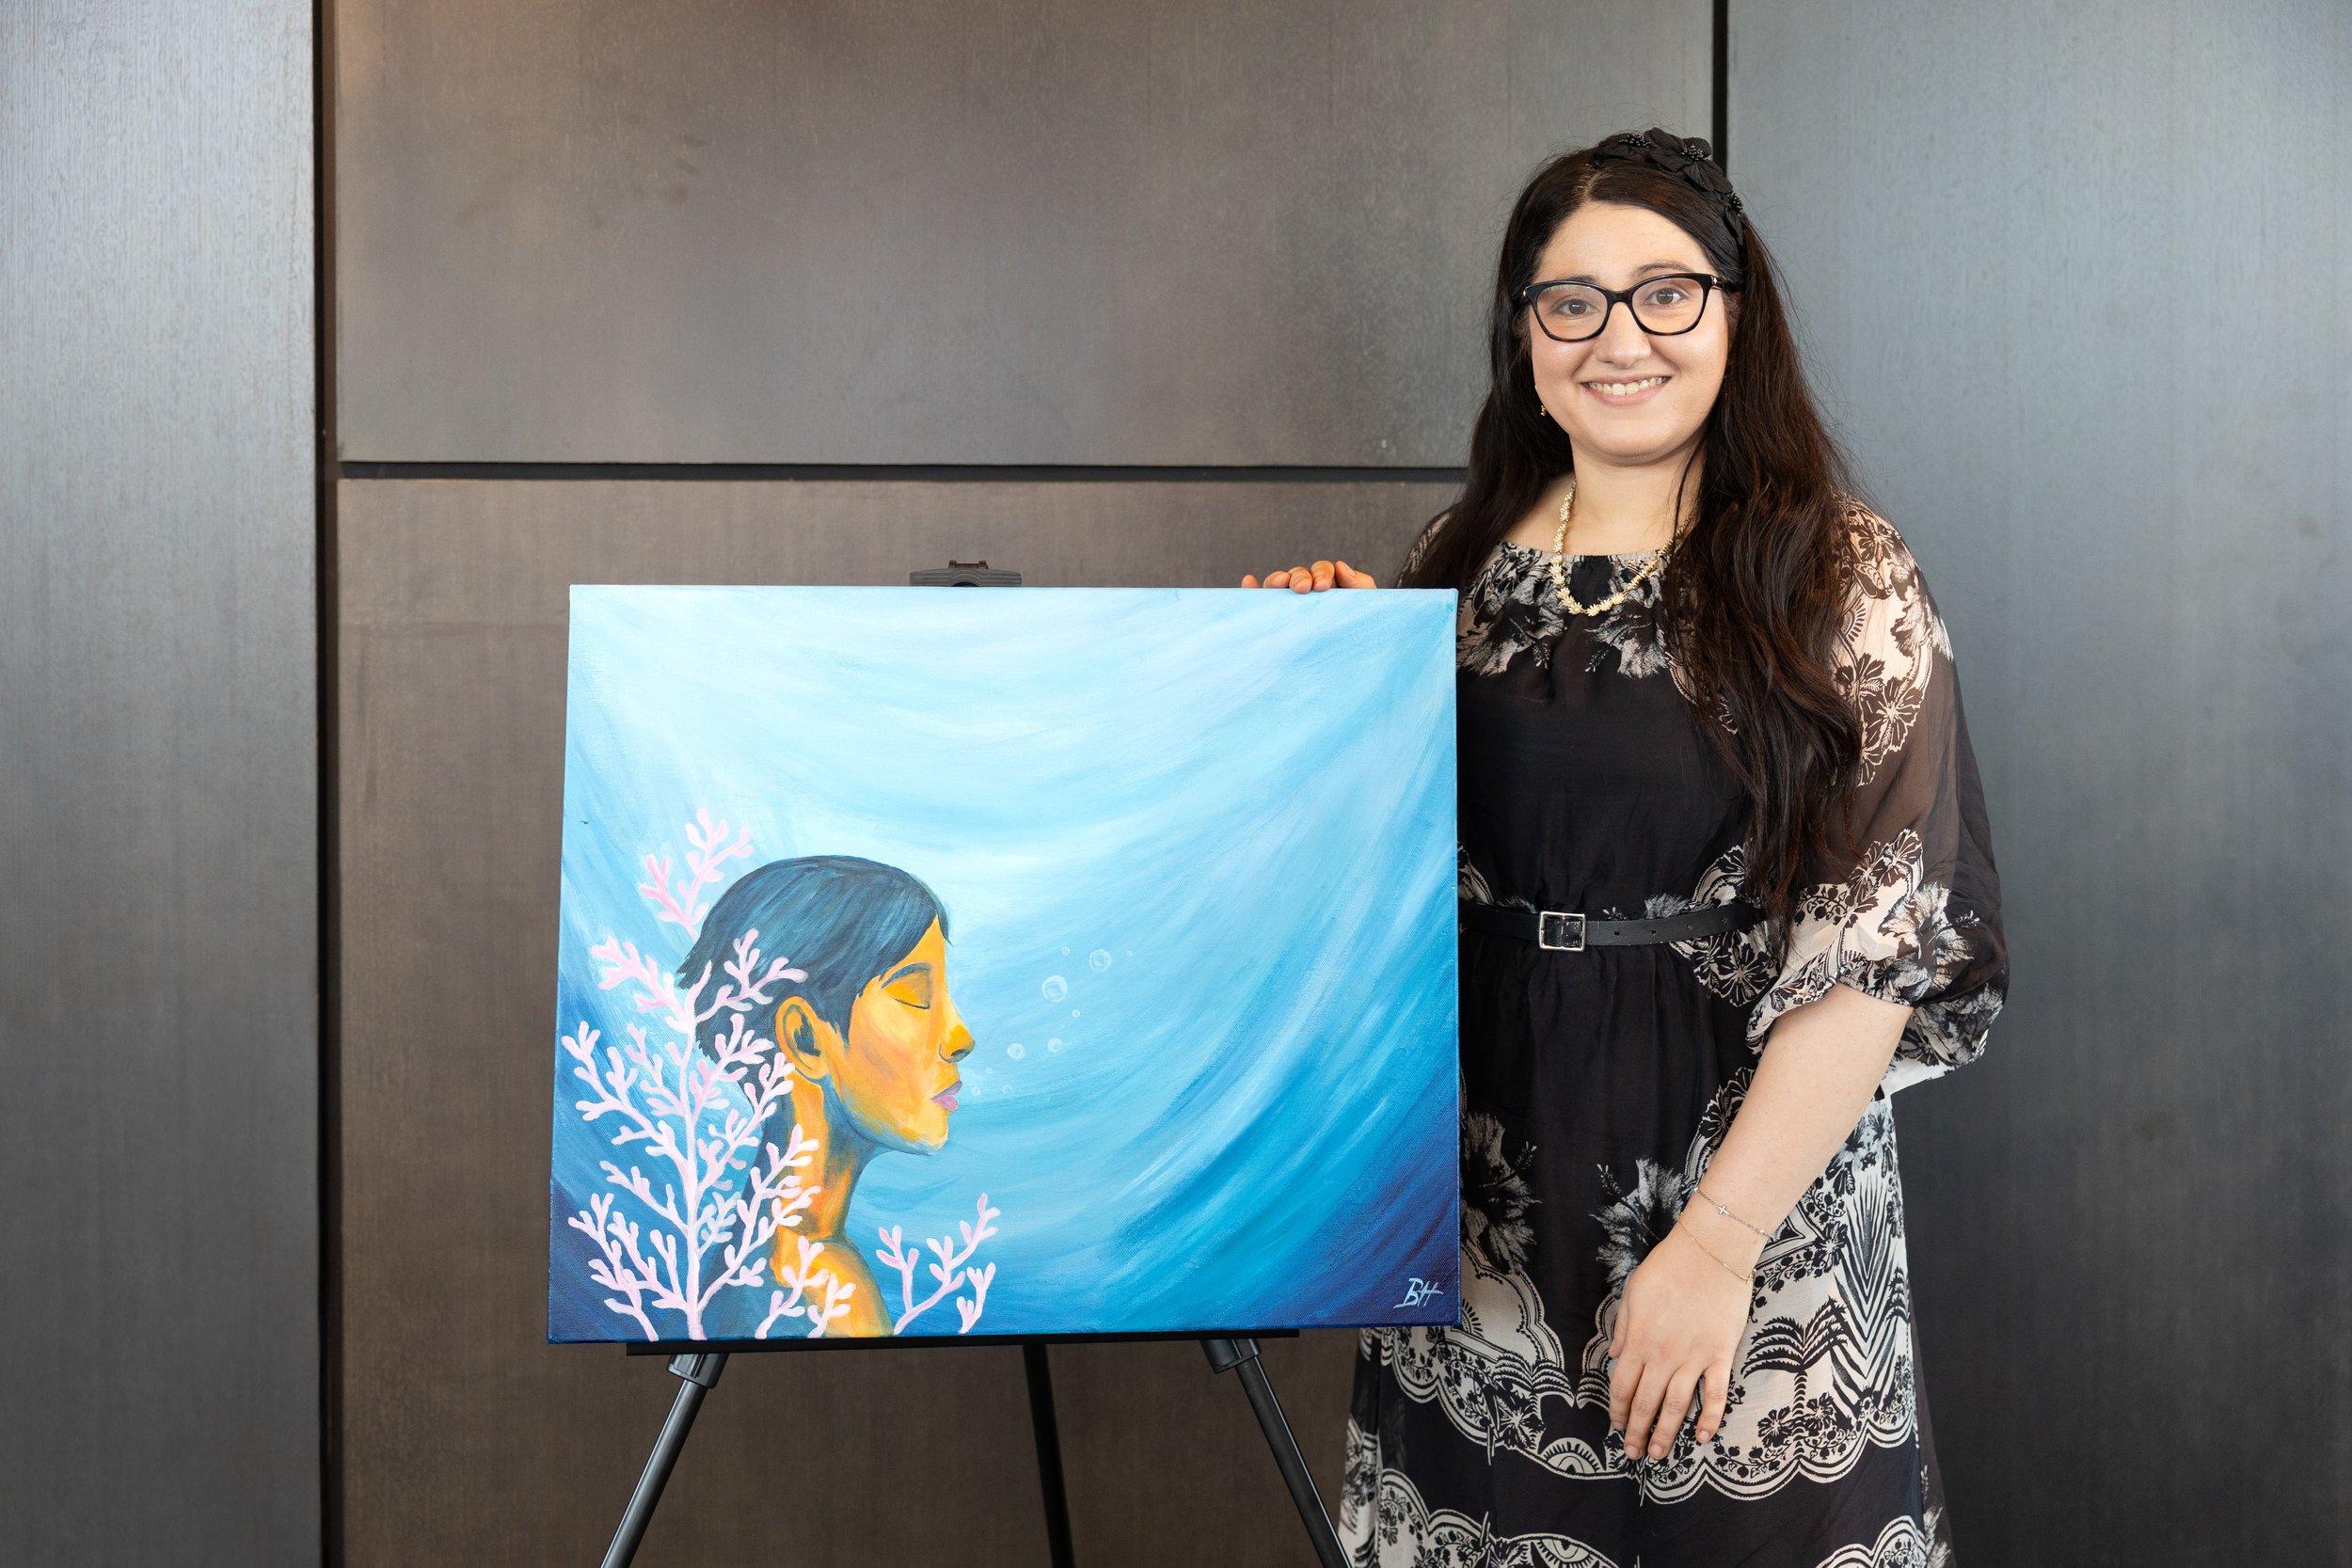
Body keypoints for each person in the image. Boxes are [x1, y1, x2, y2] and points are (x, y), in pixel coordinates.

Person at [1244, 128, 2006, 1567]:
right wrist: (1329, 661)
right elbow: (1378, 881)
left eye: (1666, 292)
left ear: (1735, 309)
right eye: (1571, 300)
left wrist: (1714, 1249)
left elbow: (1876, 953)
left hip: (1744, 1208)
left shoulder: (1839, 572)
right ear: (1524, 331)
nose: (1619, 337)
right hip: (1478, 1219)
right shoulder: (1456, 559)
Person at [682, 854, 975, 1337]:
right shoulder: (819, 1284)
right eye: (915, 996)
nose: (959, 1035)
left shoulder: (767, 1256)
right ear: (805, 1038)